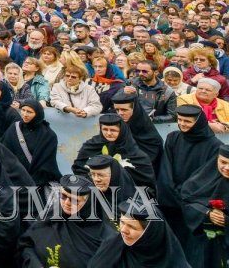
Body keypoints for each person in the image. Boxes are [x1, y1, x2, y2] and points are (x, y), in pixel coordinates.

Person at [159, 105, 224, 239]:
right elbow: (166, 168)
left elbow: (206, 176)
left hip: (195, 203)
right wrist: (173, 191)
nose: (182, 124)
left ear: (198, 122)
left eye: (188, 121)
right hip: (171, 201)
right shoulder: (173, 137)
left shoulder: (214, 145)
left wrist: (185, 194)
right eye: (180, 120)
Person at [18, 174, 107, 268]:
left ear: (88, 204)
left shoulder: (105, 238)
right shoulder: (50, 216)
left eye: (74, 200)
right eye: (63, 196)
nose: (67, 203)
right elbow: (26, 244)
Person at [88, 198, 191, 268]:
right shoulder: (110, 248)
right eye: (122, 222)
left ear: (149, 234)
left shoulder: (173, 262)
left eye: (132, 227)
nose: (123, 230)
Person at [179, 144, 229, 268]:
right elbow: (187, 200)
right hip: (203, 244)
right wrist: (206, 213)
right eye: (223, 162)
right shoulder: (205, 178)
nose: (227, 168)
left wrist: (226, 220)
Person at [72, 114, 155, 188]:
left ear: (122, 130)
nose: (108, 133)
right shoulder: (91, 146)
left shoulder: (136, 155)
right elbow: (79, 170)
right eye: (105, 129)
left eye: (113, 130)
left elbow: (146, 183)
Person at [2, 99, 60, 188]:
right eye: (23, 110)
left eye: (29, 112)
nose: (25, 114)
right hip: (13, 178)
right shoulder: (14, 128)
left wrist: (29, 181)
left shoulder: (48, 136)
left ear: (37, 113)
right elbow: (5, 153)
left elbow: (46, 165)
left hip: (36, 183)